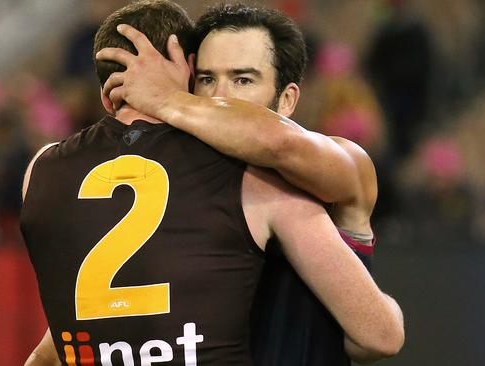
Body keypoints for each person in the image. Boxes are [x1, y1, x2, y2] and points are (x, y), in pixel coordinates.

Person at [23, 1, 403, 365]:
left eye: (242, 79)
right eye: (206, 79)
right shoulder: (196, 175)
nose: (220, 98)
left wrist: (167, 100)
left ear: (286, 99)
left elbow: (278, 144)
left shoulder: (337, 162)